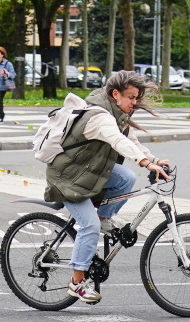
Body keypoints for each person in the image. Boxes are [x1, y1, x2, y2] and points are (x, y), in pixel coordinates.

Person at [44, 70, 170, 303]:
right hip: (68, 177)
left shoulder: (118, 113)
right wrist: (144, 162)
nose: (135, 103)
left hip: (88, 171)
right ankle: (76, 283)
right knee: (88, 226)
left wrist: (152, 160)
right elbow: (117, 141)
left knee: (126, 178)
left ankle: (104, 218)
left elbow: (131, 140)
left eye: (137, 98)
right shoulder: (100, 117)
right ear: (116, 94)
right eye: (132, 97)